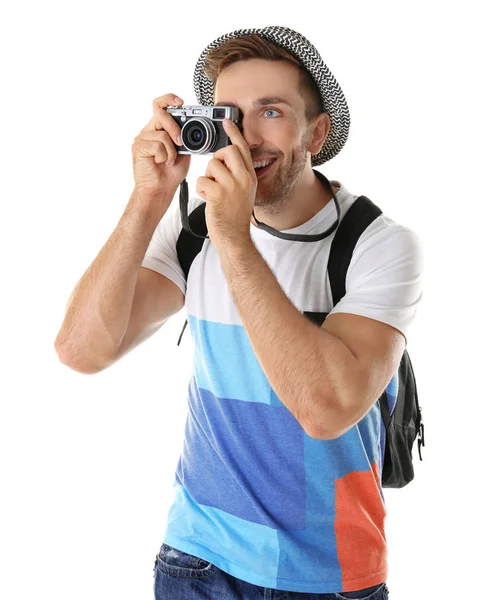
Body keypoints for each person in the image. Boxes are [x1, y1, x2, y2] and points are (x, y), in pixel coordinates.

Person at [55, 25, 423, 600]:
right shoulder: (193, 221)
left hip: (329, 575)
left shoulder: (377, 244)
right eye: (228, 113)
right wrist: (148, 197)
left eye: (270, 111)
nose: (243, 135)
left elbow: (325, 409)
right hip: (198, 559)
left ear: (317, 132)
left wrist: (234, 237)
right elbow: (81, 350)